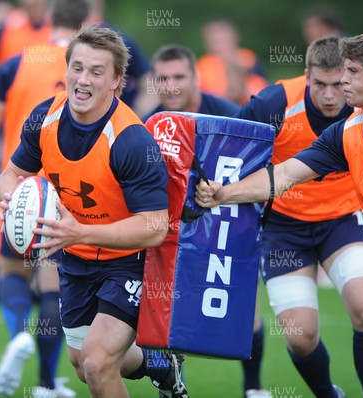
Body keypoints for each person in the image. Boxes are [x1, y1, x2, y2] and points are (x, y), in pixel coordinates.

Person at [196, 29, 363, 398]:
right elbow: (287, 174)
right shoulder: (346, 132)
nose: (342, 81)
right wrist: (224, 193)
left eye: (352, 72)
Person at [0, 25, 188, 398]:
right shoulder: (45, 118)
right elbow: (13, 174)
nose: (83, 80)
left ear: (117, 81)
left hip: (129, 261)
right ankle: (161, 366)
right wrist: (12, 203)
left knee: (97, 363)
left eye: (97, 72)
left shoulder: (132, 140)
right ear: (66, 69)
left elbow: (153, 227)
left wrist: (79, 232)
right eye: (78, 68)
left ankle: (156, 364)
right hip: (75, 260)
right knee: (83, 366)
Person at [236, 36, 363, 398]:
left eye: (339, 84)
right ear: (307, 76)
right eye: (320, 84)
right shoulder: (273, 103)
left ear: (350, 78)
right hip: (285, 227)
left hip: (343, 218)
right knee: (300, 336)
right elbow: (234, 154)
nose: (330, 95)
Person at [0, 0, 89, 396]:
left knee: (12, 270)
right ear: (86, 23)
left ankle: (18, 333)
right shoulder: (91, 70)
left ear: (50, 22)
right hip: (69, 193)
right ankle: (45, 383)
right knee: (52, 282)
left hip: (19, 188)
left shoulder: (17, 62)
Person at [145, 44, 268, 398]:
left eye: (179, 76)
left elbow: (260, 170)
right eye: (163, 78)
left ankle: (254, 387)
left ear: (197, 78)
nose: (171, 86)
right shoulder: (151, 125)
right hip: (173, 229)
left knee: (247, 306)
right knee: (171, 307)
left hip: (232, 219)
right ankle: (173, 385)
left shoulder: (232, 119)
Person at [85, 0, 156, 117]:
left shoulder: (120, 41)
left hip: (112, 126)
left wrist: (132, 120)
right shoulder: (52, 35)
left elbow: (150, 85)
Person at [197, 17, 268, 105]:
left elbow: (264, 94)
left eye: (222, 39)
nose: (218, 43)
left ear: (234, 36)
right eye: (214, 40)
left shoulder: (249, 60)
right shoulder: (202, 66)